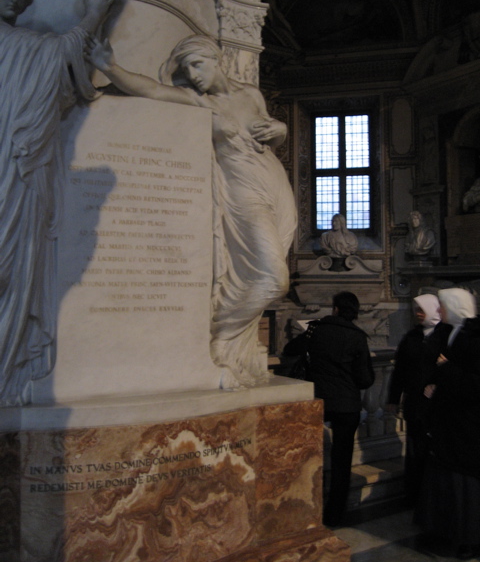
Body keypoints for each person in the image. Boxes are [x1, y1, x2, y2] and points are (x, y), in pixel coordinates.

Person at [86, 33, 297, 389]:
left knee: (274, 270)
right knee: (274, 278)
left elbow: (270, 135)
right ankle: (220, 339)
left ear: (217, 60)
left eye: (198, 64)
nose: (194, 74)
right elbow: (151, 90)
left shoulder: (250, 94)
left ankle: (233, 346)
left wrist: (282, 129)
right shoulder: (196, 102)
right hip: (245, 193)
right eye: (186, 68)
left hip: (276, 186)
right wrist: (110, 66)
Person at [0, 0, 118, 406]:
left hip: (17, 174)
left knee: (11, 269)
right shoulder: (22, 45)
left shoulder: (24, 45)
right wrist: (94, 13)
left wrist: (95, 18)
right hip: (15, 166)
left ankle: (7, 370)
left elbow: (59, 70)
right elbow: (57, 57)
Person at [286, 291, 374, 527]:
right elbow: (365, 380)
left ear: (335, 309)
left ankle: (304, 506)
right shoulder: (357, 337)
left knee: (308, 457)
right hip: (346, 406)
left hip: (318, 401)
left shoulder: (317, 330)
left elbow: (290, 350)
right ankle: (335, 514)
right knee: (342, 462)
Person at [415, 288, 480, 560]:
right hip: (449, 423)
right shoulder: (446, 332)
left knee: (467, 487)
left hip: (468, 426)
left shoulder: (476, 336)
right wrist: (435, 383)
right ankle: (449, 534)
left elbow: (475, 384)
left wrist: (445, 369)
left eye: (442, 306)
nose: (438, 311)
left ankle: (471, 540)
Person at [387, 293, 451, 506]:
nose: (417, 313)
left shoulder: (447, 335)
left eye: (421, 309)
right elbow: (400, 371)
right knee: (415, 449)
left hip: (437, 403)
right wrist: (393, 398)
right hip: (415, 402)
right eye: (416, 310)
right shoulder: (412, 336)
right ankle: (414, 494)